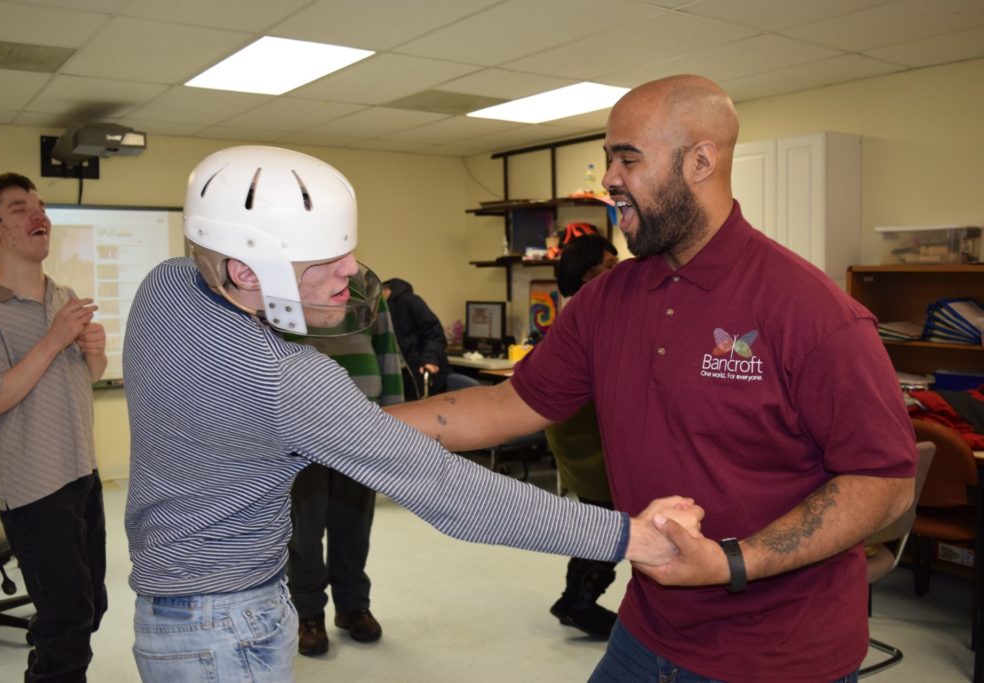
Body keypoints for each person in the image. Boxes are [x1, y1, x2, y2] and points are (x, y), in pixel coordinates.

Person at [387, 75, 918, 682]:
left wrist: (731, 563)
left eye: (627, 158)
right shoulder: (606, 299)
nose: (609, 178)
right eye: (608, 157)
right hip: (647, 630)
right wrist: (339, 427)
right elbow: (506, 405)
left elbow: (884, 481)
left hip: (779, 656)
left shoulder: (813, 312)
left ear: (699, 161)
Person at [121, 145, 703, 683]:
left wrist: (355, 428)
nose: (352, 270)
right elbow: (453, 493)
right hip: (228, 629)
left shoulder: (166, 287)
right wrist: (627, 536)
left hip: (167, 614)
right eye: (326, 259)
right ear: (246, 272)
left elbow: (314, 427)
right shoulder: (286, 379)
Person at [0, 173, 108, 682]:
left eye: (41, 207)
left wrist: (95, 354)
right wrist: (53, 339)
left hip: (81, 475)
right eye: (20, 209)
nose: (38, 216)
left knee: (91, 607)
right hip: (33, 492)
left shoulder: (61, 294)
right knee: (66, 620)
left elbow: (78, 383)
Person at [285, 292, 404, 656]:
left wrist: (395, 417)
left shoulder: (368, 290)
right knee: (304, 530)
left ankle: (352, 606)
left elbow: (387, 351)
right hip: (302, 424)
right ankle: (308, 614)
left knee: (354, 526)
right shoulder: (282, 288)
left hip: (361, 423)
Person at [545, 233, 620, 638]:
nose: (616, 272)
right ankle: (578, 602)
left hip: (582, 433)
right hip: (587, 436)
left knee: (600, 520)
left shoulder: (576, 310)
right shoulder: (590, 314)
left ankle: (575, 599)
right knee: (608, 523)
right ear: (586, 270)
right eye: (607, 266)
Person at [382, 278, 452, 399]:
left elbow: (434, 333)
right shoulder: (379, 311)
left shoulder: (407, 301)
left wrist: (430, 358)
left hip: (421, 370)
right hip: (398, 374)